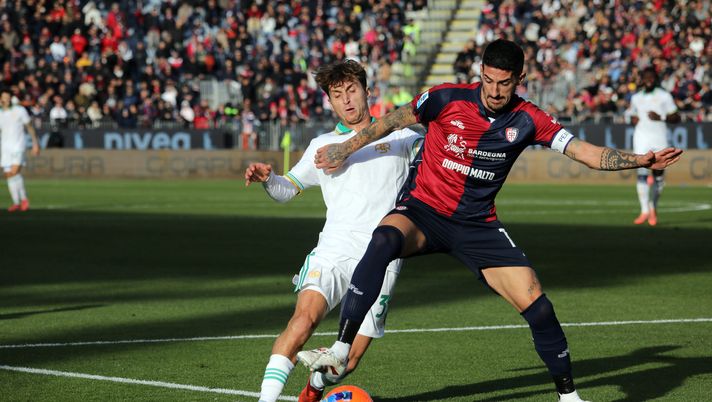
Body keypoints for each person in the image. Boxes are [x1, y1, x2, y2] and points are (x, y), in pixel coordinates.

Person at [299, 40, 683, 402]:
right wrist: (345, 148)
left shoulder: (530, 117)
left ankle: (569, 395)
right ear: (480, 72)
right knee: (382, 240)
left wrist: (640, 160)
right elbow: (393, 121)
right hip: (422, 211)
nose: (495, 91)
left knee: (538, 304)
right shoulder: (446, 97)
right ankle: (340, 347)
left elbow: (583, 151)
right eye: (488, 80)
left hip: (476, 226)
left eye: (504, 83)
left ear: (519, 80)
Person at [245, 60, 422, 402]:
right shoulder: (321, 146)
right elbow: (288, 189)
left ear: (368, 91)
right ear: (330, 101)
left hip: (383, 256)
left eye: (352, 90)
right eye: (338, 95)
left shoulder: (401, 137)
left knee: (349, 360)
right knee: (302, 321)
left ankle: (314, 388)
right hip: (334, 250)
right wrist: (269, 179)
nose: (347, 100)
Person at [628, 66, 680, 226]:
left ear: (655, 79)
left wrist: (661, 116)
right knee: (642, 173)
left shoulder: (664, 96)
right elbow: (633, 114)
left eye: (651, 77)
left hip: (659, 139)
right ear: (642, 79)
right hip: (641, 138)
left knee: (658, 174)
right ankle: (644, 210)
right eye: (646, 77)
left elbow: (676, 117)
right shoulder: (636, 97)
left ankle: (653, 208)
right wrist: (633, 119)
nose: (649, 80)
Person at [0, 89, 40, 212]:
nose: (5, 99)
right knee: (8, 175)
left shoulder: (19, 110)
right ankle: (17, 202)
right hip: (5, 148)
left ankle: (23, 200)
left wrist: (35, 143)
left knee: (14, 172)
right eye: (3, 97)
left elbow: (29, 127)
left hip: (18, 146)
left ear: (11, 98)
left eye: (7, 97)